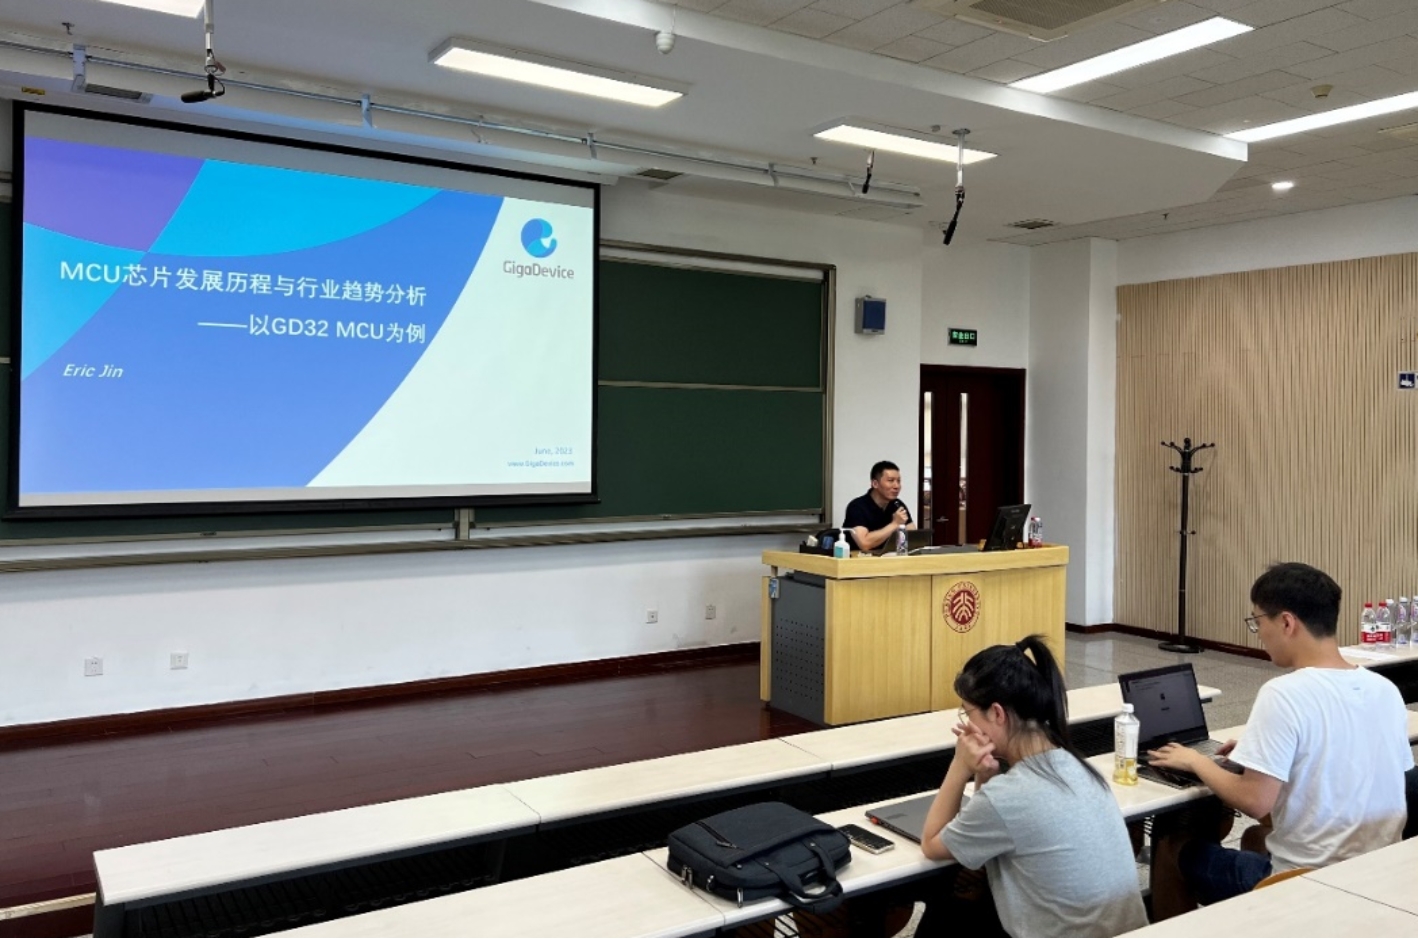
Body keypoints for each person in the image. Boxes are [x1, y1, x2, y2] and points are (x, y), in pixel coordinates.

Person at [1149, 562, 1414, 916]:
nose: (1258, 633)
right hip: (1377, 874)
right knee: (1255, 838)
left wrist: (1197, 761)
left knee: (1171, 848)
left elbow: (1255, 802)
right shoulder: (1385, 690)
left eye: (1258, 621)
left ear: (1287, 623)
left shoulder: (1283, 693)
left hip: (1311, 885)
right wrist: (1261, 754)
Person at [919, 636, 1148, 938]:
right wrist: (985, 775)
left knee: (945, 914)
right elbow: (995, 819)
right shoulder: (1076, 766)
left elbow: (932, 845)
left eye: (968, 713)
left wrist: (960, 765)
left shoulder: (1008, 795)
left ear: (997, 713)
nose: (968, 726)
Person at [843, 460, 914, 551]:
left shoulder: (897, 504)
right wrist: (895, 524)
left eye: (898, 481)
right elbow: (864, 543)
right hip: (860, 558)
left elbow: (914, 538)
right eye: (890, 480)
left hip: (890, 556)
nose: (896, 486)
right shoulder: (857, 507)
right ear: (875, 484)